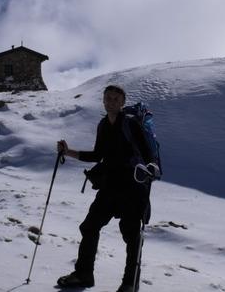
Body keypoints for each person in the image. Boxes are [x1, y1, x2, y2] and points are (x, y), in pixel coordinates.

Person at [56, 85, 155, 292]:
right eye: (108, 98)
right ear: (103, 101)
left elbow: (147, 154)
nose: (111, 101)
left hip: (131, 188)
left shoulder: (131, 124)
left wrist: (151, 170)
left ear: (122, 103)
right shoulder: (103, 125)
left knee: (131, 235)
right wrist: (68, 152)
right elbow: (97, 155)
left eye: (115, 99)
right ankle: (84, 274)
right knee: (89, 226)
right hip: (109, 186)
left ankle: (129, 284)